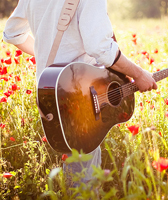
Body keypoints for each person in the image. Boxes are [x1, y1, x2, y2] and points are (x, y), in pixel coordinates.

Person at [3, 0, 157, 187]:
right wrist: (139, 74)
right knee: (84, 180)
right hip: (79, 92)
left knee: (79, 169)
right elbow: (100, 49)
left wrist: (50, 56)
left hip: (49, 91)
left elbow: (12, 33)